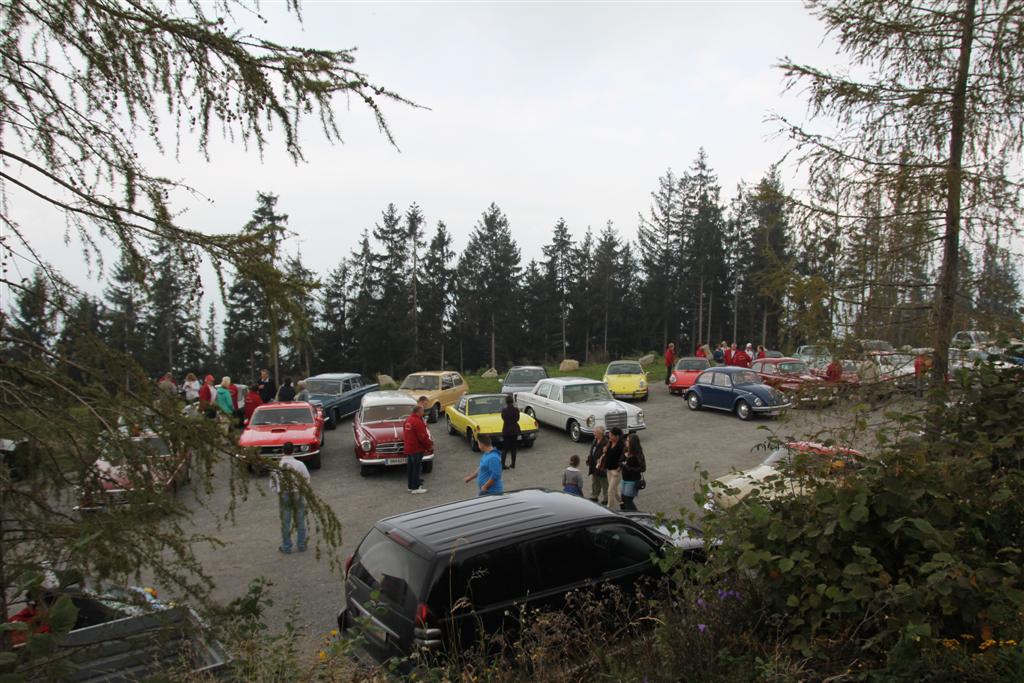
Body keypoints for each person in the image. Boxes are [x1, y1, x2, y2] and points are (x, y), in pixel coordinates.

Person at [270, 442, 309, 553]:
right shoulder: (299, 464)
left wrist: (278, 491)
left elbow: (272, 483)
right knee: (300, 519)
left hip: (284, 494)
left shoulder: (278, 466)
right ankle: (301, 545)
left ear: (283, 451)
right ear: (293, 451)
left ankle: (286, 546)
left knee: (286, 521)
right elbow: (306, 478)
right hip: (297, 492)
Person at [403, 403, 432, 494]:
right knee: (416, 468)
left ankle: (410, 486)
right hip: (416, 449)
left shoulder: (407, 420)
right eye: (422, 410)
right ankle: (415, 488)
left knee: (411, 468)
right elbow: (423, 437)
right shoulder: (417, 422)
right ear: (418, 411)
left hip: (409, 448)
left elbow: (405, 433)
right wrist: (429, 445)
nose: (424, 412)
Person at [620, 433, 646, 511]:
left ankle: (637, 516)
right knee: (623, 498)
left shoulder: (638, 454)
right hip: (624, 479)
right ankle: (627, 515)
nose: (626, 442)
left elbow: (643, 468)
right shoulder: (625, 450)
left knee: (628, 500)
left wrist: (628, 467)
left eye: (628, 441)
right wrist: (622, 463)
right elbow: (620, 461)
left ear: (632, 443)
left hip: (632, 481)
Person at [585, 425, 609, 504]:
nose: (593, 433)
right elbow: (592, 451)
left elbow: (607, 454)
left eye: (595, 432)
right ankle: (594, 496)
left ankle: (606, 498)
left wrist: (601, 460)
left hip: (601, 466)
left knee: (604, 483)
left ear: (600, 433)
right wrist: (589, 459)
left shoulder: (606, 442)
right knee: (595, 481)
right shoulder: (595, 440)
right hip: (594, 465)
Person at [602, 427, 625, 510]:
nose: (609, 436)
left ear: (617, 436)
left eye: (611, 435)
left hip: (616, 471)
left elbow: (624, 459)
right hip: (609, 469)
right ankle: (622, 502)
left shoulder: (621, 445)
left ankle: (609, 507)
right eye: (609, 434)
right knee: (614, 490)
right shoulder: (610, 443)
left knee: (610, 490)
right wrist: (605, 450)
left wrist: (618, 470)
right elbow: (607, 455)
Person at [500, 395, 520, 470]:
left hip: (506, 431)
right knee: (513, 448)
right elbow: (517, 419)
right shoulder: (516, 410)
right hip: (514, 430)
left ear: (506, 402)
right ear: (512, 401)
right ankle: (513, 463)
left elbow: (503, 418)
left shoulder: (504, 410)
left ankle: (503, 464)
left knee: (505, 449)